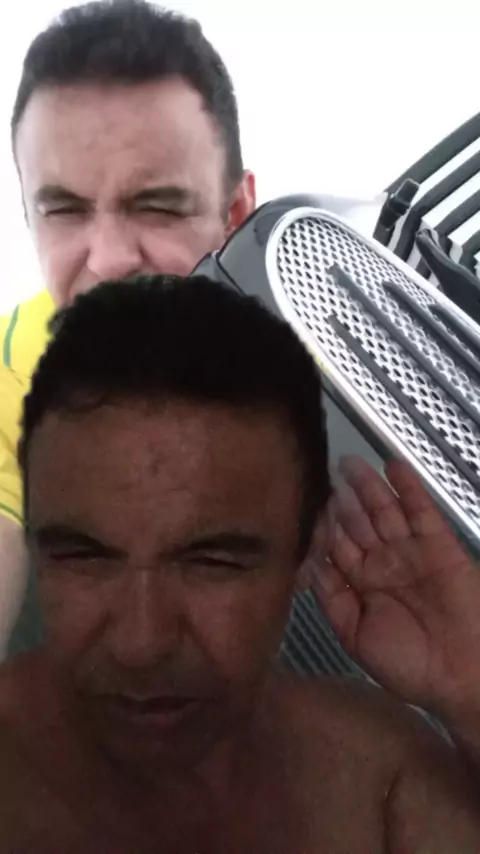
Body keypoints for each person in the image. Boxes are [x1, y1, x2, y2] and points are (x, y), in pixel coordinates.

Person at [1, 273, 479, 852]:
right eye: (83, 557)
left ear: (308, 549)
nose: (140, 644)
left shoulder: (380, 776)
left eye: (212, 564)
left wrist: (469, 683)